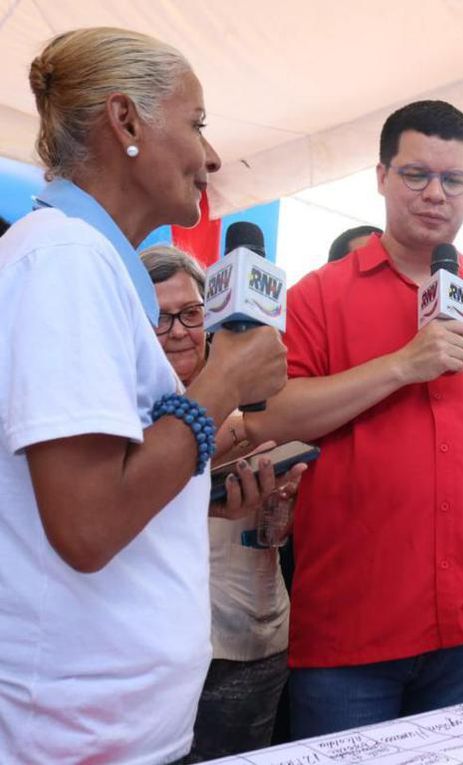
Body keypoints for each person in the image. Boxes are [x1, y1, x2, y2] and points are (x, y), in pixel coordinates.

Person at [244, 100, 463, 736]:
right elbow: (270, 420)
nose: (435, 195)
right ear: (380, 176)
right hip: (349, 630)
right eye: (416, 175)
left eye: (454, 180)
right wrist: (402, 365)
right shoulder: (316, 297)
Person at [0, 27, 287, 763]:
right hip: (73, 733)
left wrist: (197, 494)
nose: (212, 156)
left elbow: (110, 485)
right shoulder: (64, 259)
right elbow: (89, 522)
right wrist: (222, 381)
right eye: (195, 124)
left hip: (111, 722)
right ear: (125, 122)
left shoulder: (87, 262)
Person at [142, 245, 298, 761]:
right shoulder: (121, 404)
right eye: (160, 319)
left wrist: (280, 511)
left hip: (251, 639)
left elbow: (276, 534)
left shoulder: (262, 395)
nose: (180, 330)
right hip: (154, 652)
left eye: (190, 313)